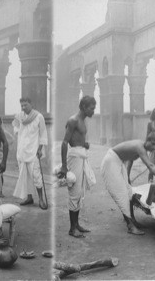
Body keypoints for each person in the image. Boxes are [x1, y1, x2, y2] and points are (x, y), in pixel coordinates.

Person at [100, 136, 155, 235]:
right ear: (148, 141)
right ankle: (130, 226)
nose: (154, 148)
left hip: (119, 162)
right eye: (154, 145)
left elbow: (130, 160)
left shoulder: (141, 148)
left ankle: (132, 220)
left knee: (129, 191)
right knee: (122, 194)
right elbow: (150, 165)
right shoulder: (140, 147)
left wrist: (128, 177)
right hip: (111, 161)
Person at [59, 95, 97, 238]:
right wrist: (64, 166)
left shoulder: (82, 120)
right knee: (74, 191)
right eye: (92, 108)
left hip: (80, 155)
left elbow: (77, 140)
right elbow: (64, 142)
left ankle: (76, 225)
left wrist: (84, 144)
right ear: (84, 107)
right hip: (74, 158)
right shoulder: (73, 120)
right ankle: (71, 228)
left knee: (80, 192)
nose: (93, 111)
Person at [12, 98, 48, 209]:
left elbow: (43, 133)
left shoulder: (38, 117)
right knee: (24, 175)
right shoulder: (19, 116)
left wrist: (40, 148)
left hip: (33, 150)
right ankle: (29, 198)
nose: (23, 108)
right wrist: (17, 129)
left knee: (36, 175)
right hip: (22, 150)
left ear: (31, 104)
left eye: (25, 105)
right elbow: (15, 127)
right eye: (21, 105)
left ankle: (41, 198)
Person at [0, 115, 15, 198]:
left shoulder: (3, 131)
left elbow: (11, 139)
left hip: (0, 154)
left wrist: (3, 146)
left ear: (0, 122)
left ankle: (0, 191)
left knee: (0, 173)